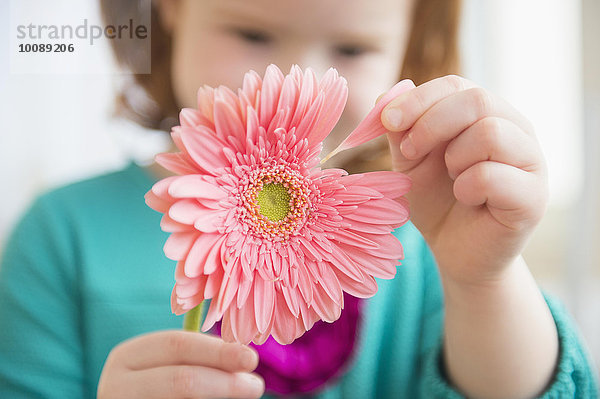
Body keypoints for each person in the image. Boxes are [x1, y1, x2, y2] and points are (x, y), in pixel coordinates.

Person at [0, 0, 597, 398]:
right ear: (173, 8)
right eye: (252, 31)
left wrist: (485, 280)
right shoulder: (60, 236)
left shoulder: (425, 244)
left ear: (407, 46)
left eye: (352, 49)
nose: (298, 74)